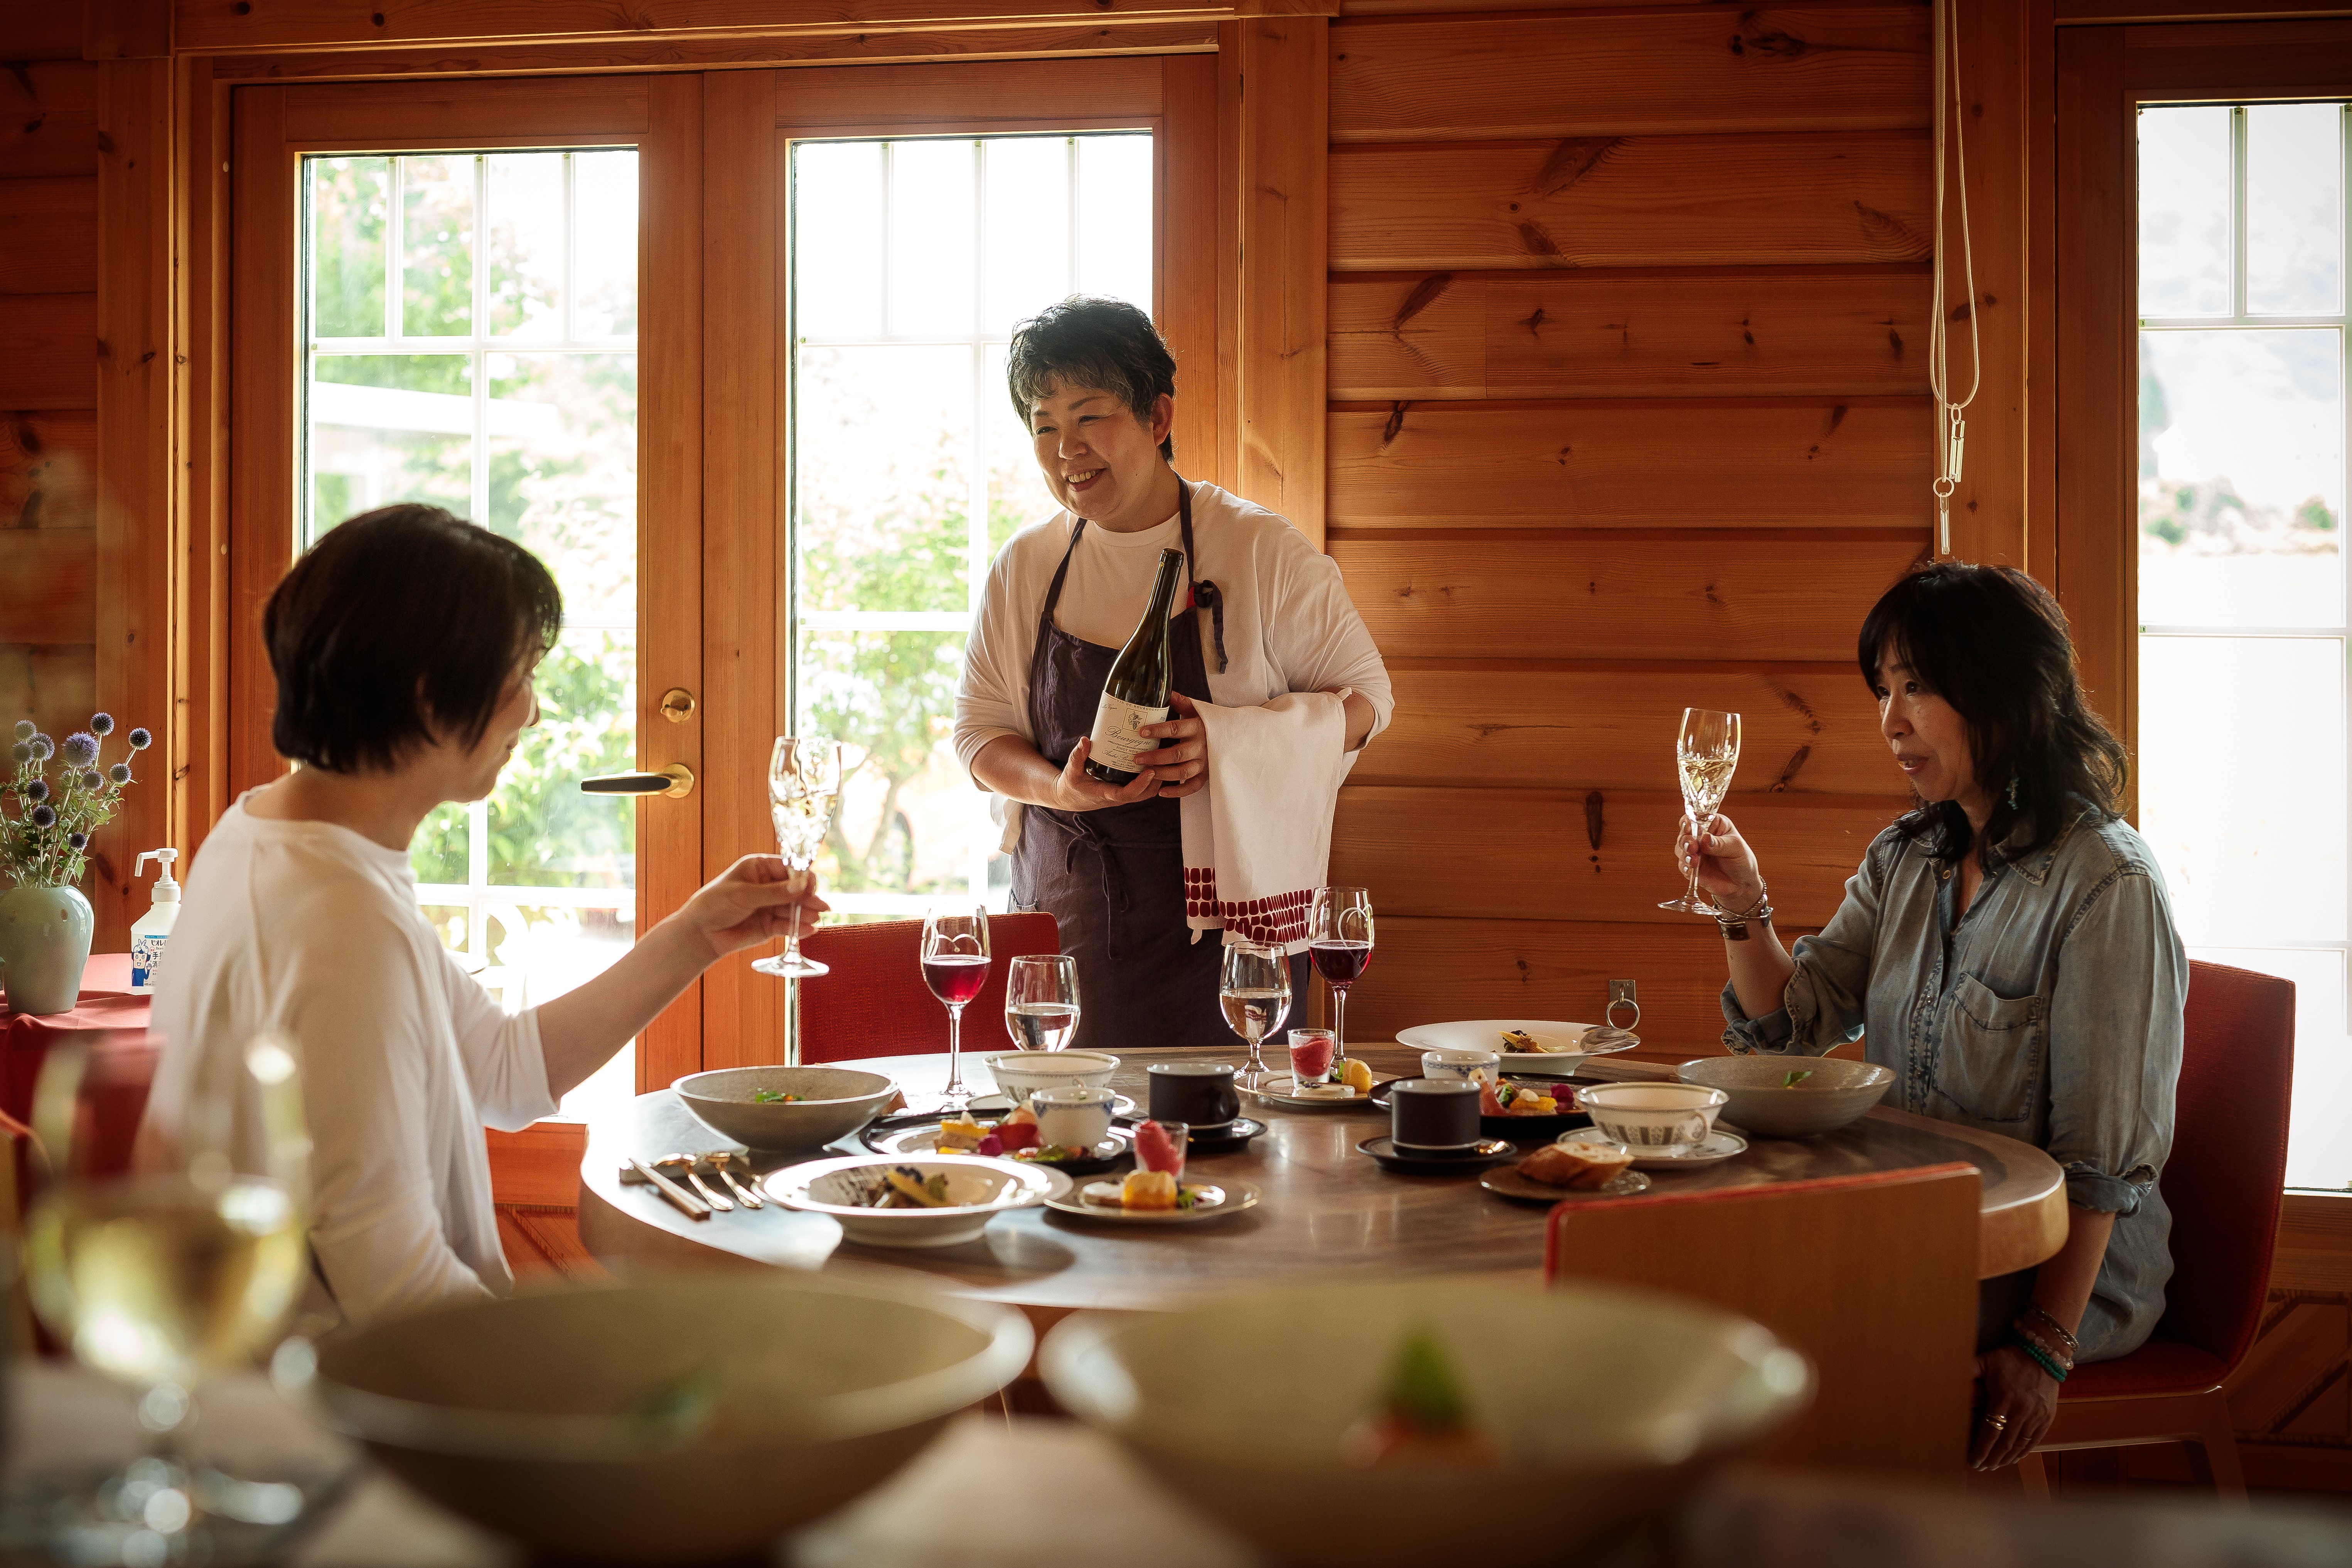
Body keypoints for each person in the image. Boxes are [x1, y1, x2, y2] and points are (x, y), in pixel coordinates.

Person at [145, 504, 827, 1329]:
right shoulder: (341, 917)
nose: (533, 713)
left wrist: (693, 934)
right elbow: (391, 1281)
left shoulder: (267, 833)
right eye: (520, 676)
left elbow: (503, 1073)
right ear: (430, 691)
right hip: (359, 1415)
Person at [1678, 561, 2185, 1475]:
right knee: (1705, 1284)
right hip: (1913, 1233)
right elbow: (1793, 1028)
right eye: (1883, 688)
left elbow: (2101, 1165)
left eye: (1918, 686)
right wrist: (1742, 906)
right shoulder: (1906, 855)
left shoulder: (2107, 886)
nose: (1890, 719)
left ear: (2002, 692)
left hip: (2051, 1275)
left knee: (1785, 1323)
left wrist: (2041, 1347)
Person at [953, 297, 1394, 1049]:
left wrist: (1227, 741)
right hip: (1070, 929)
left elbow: (1368, 702)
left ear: (1157, 417)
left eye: (1089, 416)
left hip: (1231, 939)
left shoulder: (1260, 550)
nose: (1067, 449)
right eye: (1044, 425)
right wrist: (1056, 787)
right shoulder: (1025, 566)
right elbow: (978, 734)